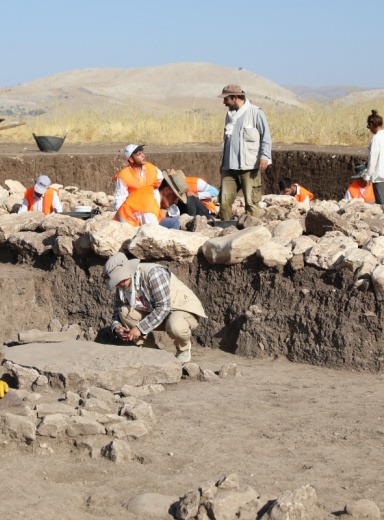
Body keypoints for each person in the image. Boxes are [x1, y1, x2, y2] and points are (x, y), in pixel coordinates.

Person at [104, 251, 207, 362]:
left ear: (127, 272)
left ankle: (183, 350)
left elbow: (163, 307)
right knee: (124, 312)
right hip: (159, 314)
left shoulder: (154, 274)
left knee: (175, 326)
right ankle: (152, 353)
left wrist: (140, 328)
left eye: (119, 280)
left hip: (181, 309)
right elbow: (117, 310)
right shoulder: (122, 285)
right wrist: (116, 327)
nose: (117, 285)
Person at [218, 84, 272, 220]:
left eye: (226, 99)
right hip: (229, 168)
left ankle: (253, 233)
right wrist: (222, 162)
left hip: (249, 167)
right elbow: (226, 141)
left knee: (251, 203)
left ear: (235, 97)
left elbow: (266, 136)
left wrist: (264, 156)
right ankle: (225, 230)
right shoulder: (229, 115)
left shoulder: (255, 112)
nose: (224, 103)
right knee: (224, 203)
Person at [115, 169, 189, 229]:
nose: (175, 202)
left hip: (124, 225)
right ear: (166, 191)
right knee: (174, 223)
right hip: (125, 232)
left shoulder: (150, 190)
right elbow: (152, 233)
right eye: (175, 197)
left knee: (174, 221)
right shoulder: (150, 209)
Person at [113, 144, 164, 211]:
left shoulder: (152, 168)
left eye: (142, 152)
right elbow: (120, 199)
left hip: (156, 207)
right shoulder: (124, 176)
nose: (143, 156)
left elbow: (163, 185)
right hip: (137, 211)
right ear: (131, 159)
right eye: (139, 154)